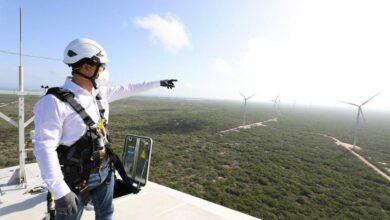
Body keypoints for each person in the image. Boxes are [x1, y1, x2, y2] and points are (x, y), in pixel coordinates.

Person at [33, 38, 177, 220]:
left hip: (105, 172)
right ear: (87, 68)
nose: (104, 72)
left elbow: (130, 88)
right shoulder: (54, 102)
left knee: (106, 214)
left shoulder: (99, 95)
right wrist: (60, 191)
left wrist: (159, 83)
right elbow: (44, 148)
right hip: (75, 179)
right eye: (102, 67)